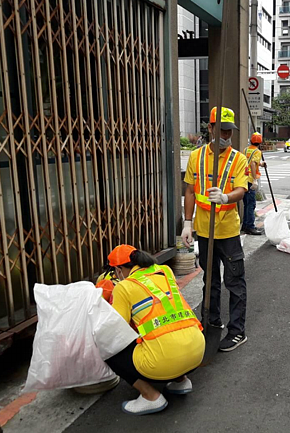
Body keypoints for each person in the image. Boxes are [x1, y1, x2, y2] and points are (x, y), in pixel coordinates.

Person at [104, 245, 205, 415]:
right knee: (166, 330)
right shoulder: (165, 271)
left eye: (115, 272)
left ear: (120, 269)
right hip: (197, 351)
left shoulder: (125, 286)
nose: (116, 276)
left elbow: (116, 328)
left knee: (110, 349)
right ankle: (181, 381)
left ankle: (150, 397)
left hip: (165, 361)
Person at [182, 106, 249, 352]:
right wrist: (187, 223)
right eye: (221, 130)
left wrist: (225, 197)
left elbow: (241, 190)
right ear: (210, 128)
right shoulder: (196, 157)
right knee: (209, 280)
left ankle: (237, 331)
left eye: (229, 132)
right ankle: (211, 321)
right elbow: (189, 190)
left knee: (235, 282)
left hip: (228, 232)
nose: (226, 135)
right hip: (204, 231)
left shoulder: (238, 159)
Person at [242, 132, 266, 235]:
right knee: (251, 204)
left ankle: (245, 225)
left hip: (243, 179)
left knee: (246, 204)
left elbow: (249, 161)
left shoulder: (246, 149)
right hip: (251, 180)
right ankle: (250, 227)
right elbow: (252, 163)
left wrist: (260, 164)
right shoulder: (257, 152)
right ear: (260, 142)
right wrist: (255, 179)